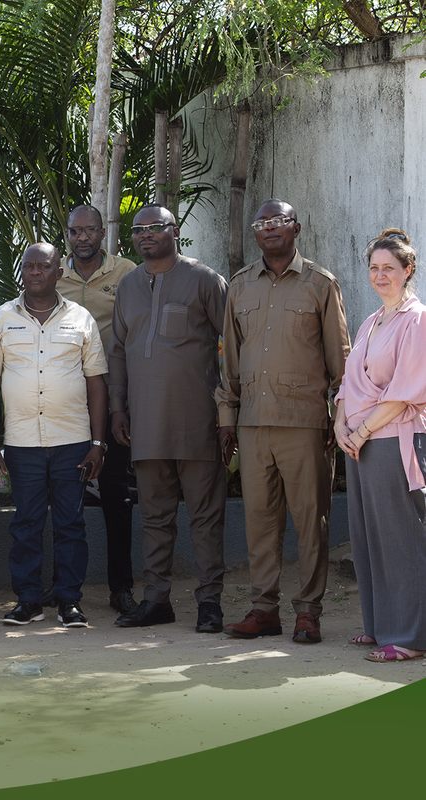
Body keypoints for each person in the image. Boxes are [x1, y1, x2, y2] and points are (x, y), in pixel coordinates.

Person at [216, 200, 349, 645]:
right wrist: (226, 419)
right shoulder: (239, 287)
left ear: (297, 228)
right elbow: (229, 362)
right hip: (253, 424)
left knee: (312, 521)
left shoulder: (320, 284)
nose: (269, 229)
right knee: (260, 521)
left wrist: (340, 417)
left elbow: (341, 360)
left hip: (304, 423)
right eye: (262, 223)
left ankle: (309, 612)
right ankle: (263, 609)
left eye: (279, 222)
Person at [109, 205, 229, 633]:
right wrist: (117, 408)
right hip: (145, 425)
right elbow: (119, 352)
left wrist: (228, 412)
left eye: (154, 228)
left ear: (173, 231)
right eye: (138, 230)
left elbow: (232, 346)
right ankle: (156, 599)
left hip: (198, 422)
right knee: (155, 517)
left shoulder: (204, 280)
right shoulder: (127, 287)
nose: (145, 236)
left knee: (205, 516)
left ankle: (210, 602)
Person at [0, 243, 108, 627]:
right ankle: (28, 601)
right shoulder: (0, 319)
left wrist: (98, 444)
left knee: (71, 523)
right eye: (29, 265)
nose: (35, 272)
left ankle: (69, 602)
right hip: (21, 443)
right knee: (26, 524)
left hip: (73, 442)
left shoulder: (81, 319)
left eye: (44, 266)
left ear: (58, 273)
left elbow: (97, 383)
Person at [335, 229, 426, 663]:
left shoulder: (417, 319)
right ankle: (377, 625)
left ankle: (409, 636)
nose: (380, 275)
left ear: (408, 271)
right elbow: (347, 382)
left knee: (399, 539)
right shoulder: (372, 321)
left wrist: (362, 431)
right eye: (373, 268)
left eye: (389, 268)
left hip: (391, 439)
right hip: (359, 442)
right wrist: (340, 422)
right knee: (367, 537)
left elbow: (406, 390)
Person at [57, 204, 141, 616]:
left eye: (90, 230)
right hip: (62, 407)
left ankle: (121, 587)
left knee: (116, 498)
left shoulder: (125, 273)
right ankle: (63, 588)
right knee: (64, 499)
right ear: (67, 235)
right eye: (76, 232)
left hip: (112, 405)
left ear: (102, 234)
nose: (83, 237)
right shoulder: (54, 275)